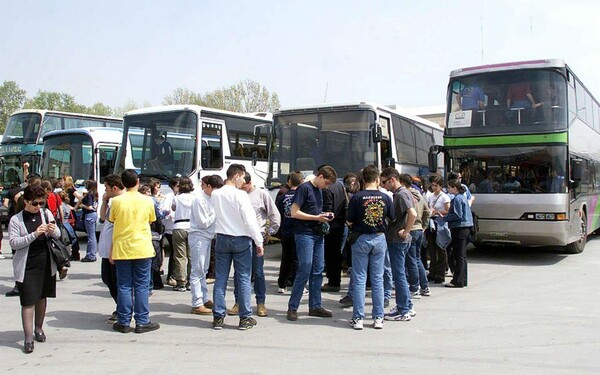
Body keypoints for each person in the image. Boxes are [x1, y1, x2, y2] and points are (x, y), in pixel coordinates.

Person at [8, 185, 61, 353]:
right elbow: (14, 243)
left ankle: (39, 328)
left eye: (41, 203)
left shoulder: (46, 214)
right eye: (35, 203)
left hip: (45, 261)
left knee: (42, 297)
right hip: (27, 264)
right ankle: (28, 337)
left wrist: (53, 230)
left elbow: (58, 235)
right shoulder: (16, 220)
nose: (38, 207)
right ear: (26, 202)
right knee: (28, 301)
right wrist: (34, 234)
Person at [210, 164, 264, 330]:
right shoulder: (241, 195)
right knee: (243, 278)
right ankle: (245, 317)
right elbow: (249, 220)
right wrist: (258, 241)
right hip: (241, 238)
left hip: (222, 238)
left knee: (221, 279)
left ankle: (218, 317)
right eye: (242, 177)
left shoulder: (215, 194)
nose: (243, 180)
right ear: (236, 175)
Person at [109, 169, 160, 334]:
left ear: (122, 183)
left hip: (122, 247)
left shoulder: (116, 201)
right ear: (137, 181)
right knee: (141, 285)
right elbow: (152, 220)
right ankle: (142, 321)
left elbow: (111, 220)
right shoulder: (147, 201)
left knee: (124, 285)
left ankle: (123, 321)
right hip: (142, 247)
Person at [286, 165, 337, 322]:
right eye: (327, 183)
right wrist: (317, 218)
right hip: (304, 233)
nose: (327, 186)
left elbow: (312, 211)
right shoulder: (304, 189)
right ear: (320, 177)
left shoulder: (319, 190)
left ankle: (315, 305)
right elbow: (294, 212)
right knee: (305, 268)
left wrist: (323, 216)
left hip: (316, 233)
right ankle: (293, 306)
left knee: (317, 270)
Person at [346, 165, 394, 330]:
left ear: (363, 180)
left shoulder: (357, 197)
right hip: (379, 238)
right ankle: (378, 317)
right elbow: (392, 217)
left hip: (360, 238)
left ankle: (358, 318)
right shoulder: (385, 197)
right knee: (378, 279)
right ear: (377, 179)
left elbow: (349, 221)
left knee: (359, 278)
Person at [228, 172, 280, 317]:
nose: (240, 187)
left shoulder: (262, 194)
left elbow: (274, 215)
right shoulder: (237, 194)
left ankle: (260, 303)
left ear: (249, 183)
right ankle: (238, 302)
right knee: (239, 273)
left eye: (243, 185)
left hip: (257, 238)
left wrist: (269, 232)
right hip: (239, 237)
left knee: (257, 272)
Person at [379, 169, 417, 322]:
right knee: (400, 274)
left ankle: (403, 309)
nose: (382, 185)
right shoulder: (403, 193)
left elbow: (413, 214)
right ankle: (406, 305)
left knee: (399, 274)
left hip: (397, 240)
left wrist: (405, 230)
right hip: (398, 239)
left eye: (384, 182)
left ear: (392, 179)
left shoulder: (401, 194)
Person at [188, 175, 219, 316]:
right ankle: (197, 302)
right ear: (208, 186)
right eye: (215, 189)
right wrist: (215, 213)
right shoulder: (199, 199)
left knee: (204, 269)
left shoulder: (213, 198)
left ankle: (204, 298)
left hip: (208, 237)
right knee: (197, 270)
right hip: (198, 236)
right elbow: (203, 223)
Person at [98, 174, 125, 323]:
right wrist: (104, 201)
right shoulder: (111, 202)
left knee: (115, 280)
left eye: (107, 188)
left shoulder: (118, 202)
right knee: (107, 278)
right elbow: (103, 217)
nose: (105, 191)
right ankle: (121, 306)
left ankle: (122, 308)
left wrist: (113, 250)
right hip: (107, 248)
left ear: (114, 188)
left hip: (114, 250)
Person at [275, 171, 303, 293]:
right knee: (297, 258)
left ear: (289, 182)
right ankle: (296, 282)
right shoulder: (302, 196)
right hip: (298, 229)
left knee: (286, 258)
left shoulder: (282, 197)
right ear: (302, 182)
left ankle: (282, 283)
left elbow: (278, 214)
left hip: (285, 229)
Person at [444, 179, 474, 288]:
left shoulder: (457, 199)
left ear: (454, 188)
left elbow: (457, 215)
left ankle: (457, 280)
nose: (448, 189)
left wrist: (445, 218)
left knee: (458, 255)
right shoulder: (463, 197)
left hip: (459, 228)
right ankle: (462, 280)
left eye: (449, 187)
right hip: (465, 228)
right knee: (462, 256)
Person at [170, 176, 195, 292]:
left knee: (180, 256)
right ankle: (191, 280)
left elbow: (173, 208)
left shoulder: (177, 198)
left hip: (179, 226)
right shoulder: (195, 198)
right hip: (191, 226)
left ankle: (181, 282)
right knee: (191, 255)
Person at [407, 184, 431, 298]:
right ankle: (425, 286)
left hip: (410, 229)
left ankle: (414, 287)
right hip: (419, 229)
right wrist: (424, 226)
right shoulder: (420, 196)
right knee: (417, 259)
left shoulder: (405, 196)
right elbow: (427, 211)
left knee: (411, 260)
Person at [426, 175, 451, 284]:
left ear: (441, 186)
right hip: (431, 222)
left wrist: (437, 212)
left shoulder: (444, 197)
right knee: (431, 249)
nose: (434, 187)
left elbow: (448, 211)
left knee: (440, 248)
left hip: (440, 223)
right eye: (433, 185)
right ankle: (432, 272)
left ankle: (440, 274)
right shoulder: (430, 196)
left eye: (436, 186)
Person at [161, 176, 179, 287]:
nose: (180, 187)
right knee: (174, 252)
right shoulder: (169, 197)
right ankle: (171, 277)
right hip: (170, 228)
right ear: (173, 187)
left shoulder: (181, 196)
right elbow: (166, 211)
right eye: (178, 186)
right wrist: (174, 215)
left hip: (178, 227)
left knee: (177, 253)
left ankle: (176, 275)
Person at [79, 180, 99, 262]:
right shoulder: (95, 194)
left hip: (89, 215)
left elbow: (90, 207)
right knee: (92, 235)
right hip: (93, 215)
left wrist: (82, 205)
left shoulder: (89, 195)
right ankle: (92, 253)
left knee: (91, 236)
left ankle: (90, 255)